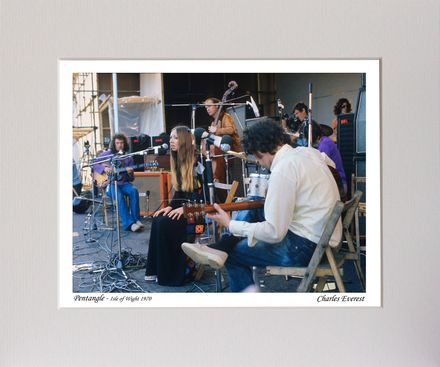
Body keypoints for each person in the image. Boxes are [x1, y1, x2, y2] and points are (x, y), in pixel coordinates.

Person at [182, 119, 342, 292]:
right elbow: (330, 164)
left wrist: (230, 224)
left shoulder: (283, 168)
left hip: (306, 248)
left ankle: (247, 300)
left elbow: (274, 232)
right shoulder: (308, 152)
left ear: (260, 150)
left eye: (256, 157)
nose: (258, 162)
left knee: (233, 255)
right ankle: (222, 247)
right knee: (257, 206)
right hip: (325, 237)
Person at [145, 126, 205, 286]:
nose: (170, 141)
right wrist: (170, 207)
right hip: (184, 209)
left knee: (165, 223)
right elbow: (179, 195)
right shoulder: (179, 162)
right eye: (170, 137)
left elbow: (203, 198)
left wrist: (185, 209)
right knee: (158, 219)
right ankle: (158, 270)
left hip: (197, 214)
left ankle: (177, 273)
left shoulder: (198, 162)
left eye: (175, 138)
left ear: (184, 140)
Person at [93, 133, 143, 232]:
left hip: (124, 184)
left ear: (125, 144)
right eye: (117, 143)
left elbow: (131, 179)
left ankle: (136, 219)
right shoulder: (108, 154)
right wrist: (104, 168)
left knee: (134, 190)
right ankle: (129, 224)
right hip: (110, 183)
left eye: (122, 143)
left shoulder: (128, 157)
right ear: (114, 144)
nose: (120, 145)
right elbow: (94, 164)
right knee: (118, 196)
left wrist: (130, 173)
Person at [204, 97, 244, 197]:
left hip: (233, 153)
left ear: (217, 105)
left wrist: (216, 131)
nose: (207, 109)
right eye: (205, 107)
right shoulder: (214, 122)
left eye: (209, 106)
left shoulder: (226, 116)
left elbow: (231, 130)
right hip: (222, 156)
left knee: (236, 179)